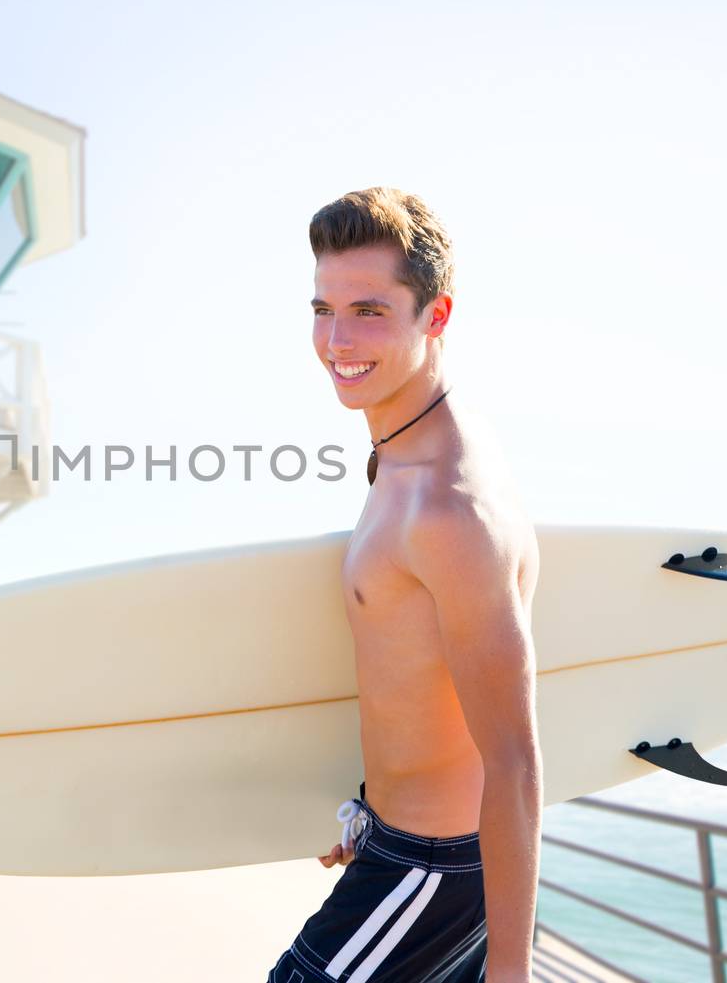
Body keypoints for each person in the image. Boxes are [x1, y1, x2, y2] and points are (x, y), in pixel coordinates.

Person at [266, 188, 543, 983]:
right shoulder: (397, 454)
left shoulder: (449, 508)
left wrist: (513, 972)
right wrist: (370, 802)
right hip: (397, 844)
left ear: (437, 314)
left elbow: (516, 761)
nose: (336, 340)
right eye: (322, 308)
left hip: (434, 872)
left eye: (369, 311)